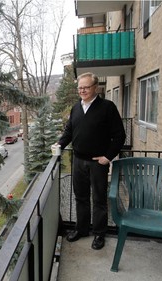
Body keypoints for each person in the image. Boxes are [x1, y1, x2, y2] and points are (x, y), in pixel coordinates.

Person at [57, 72, 126, 250]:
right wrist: (58, 145)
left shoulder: (107, 107)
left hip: (97, 163)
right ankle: (82, 229)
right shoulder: (76, 108)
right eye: (80, 87)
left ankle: (99, 234)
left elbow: (119, 136)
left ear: (96, 88)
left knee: (99, 199)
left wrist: (108, 157)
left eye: (86, 87)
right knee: (81, 198)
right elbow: (69, 132)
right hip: (78, 161)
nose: (83, 90)